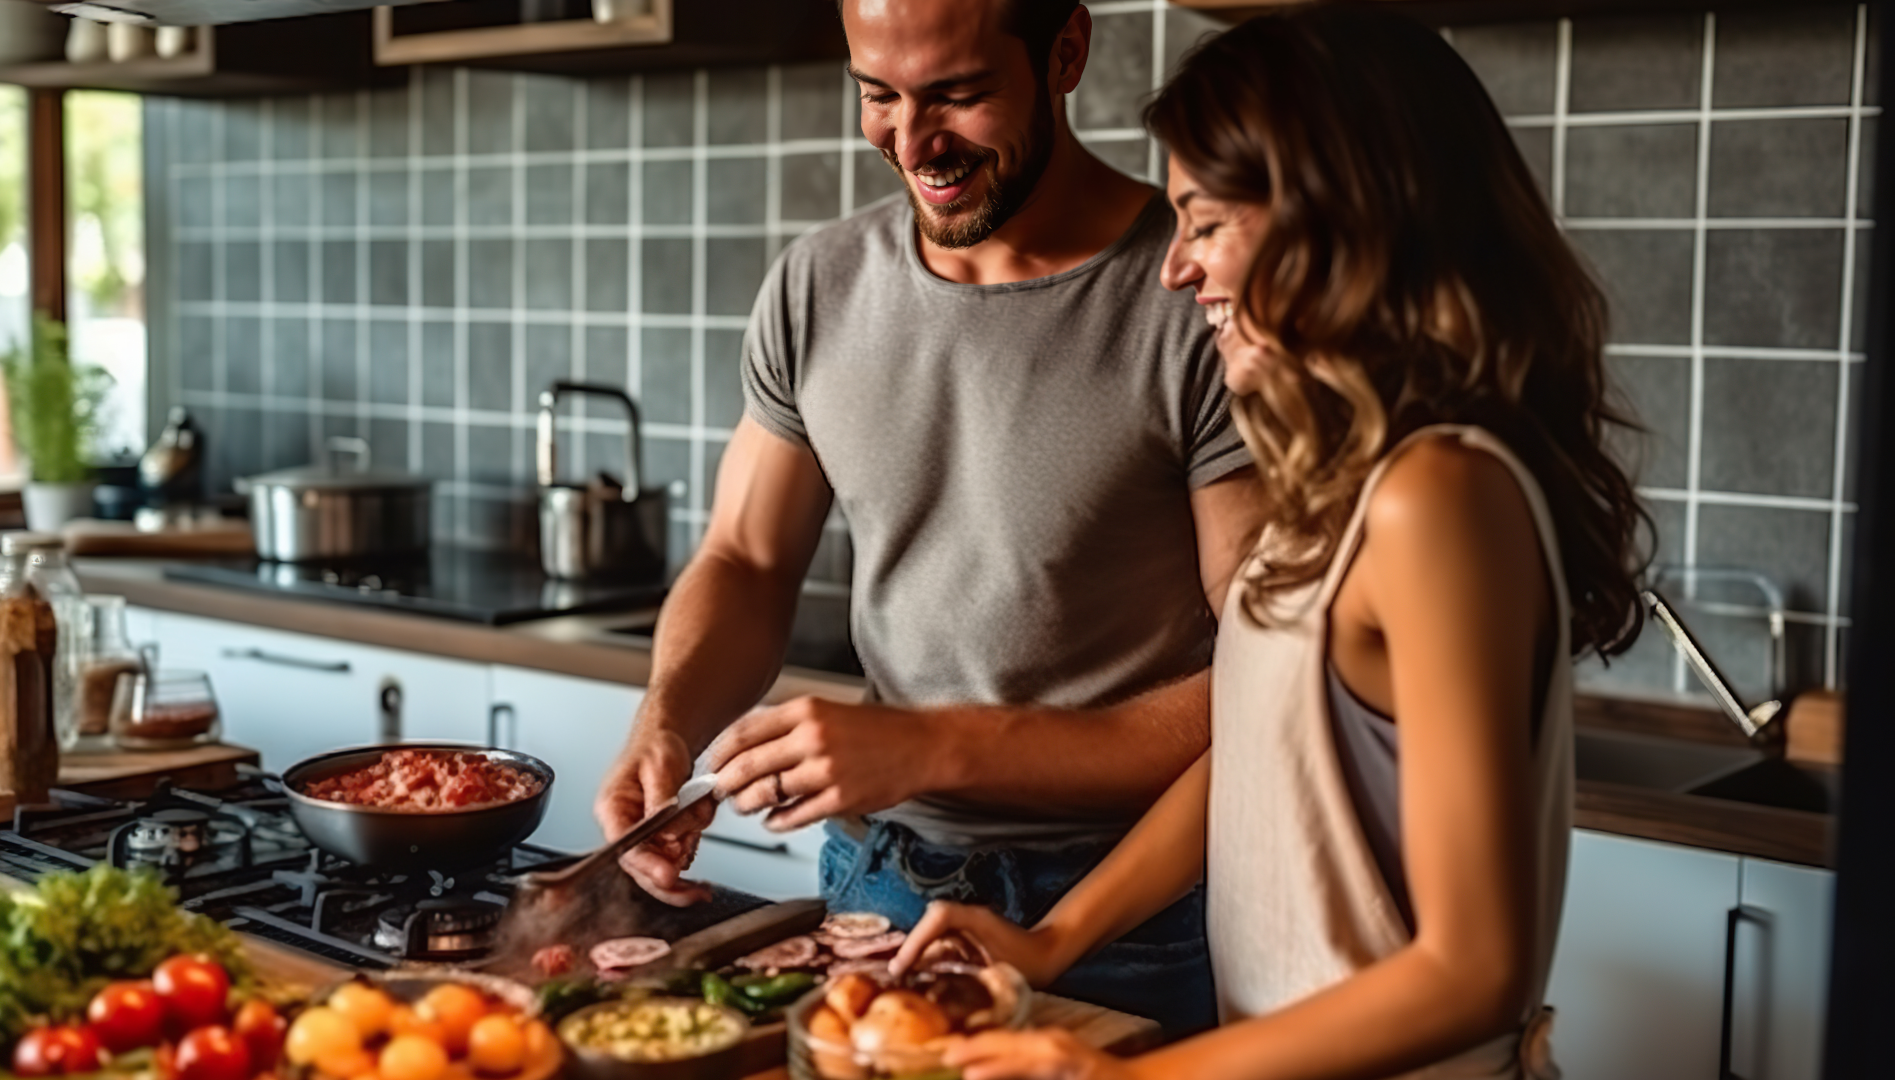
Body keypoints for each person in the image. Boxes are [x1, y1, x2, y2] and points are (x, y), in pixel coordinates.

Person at [889, 6, 1651, 1078]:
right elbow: (1256, 752)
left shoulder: (1440, 495)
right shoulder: (1347, 485)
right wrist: (1056, 940)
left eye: (1202, 222)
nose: (1175, 269)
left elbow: (1478, 967)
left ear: (1331, 221)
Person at [591, 0, 1263, 1035]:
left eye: (957, 94)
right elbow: (746, 561)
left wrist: (937, 745)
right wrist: (667, 723)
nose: (912, 142)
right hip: (880, 892)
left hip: (1131, 909)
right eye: (878, 94)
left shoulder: (1197, 297)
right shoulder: (817, 286)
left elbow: (1267, 684)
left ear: (1065, 52)